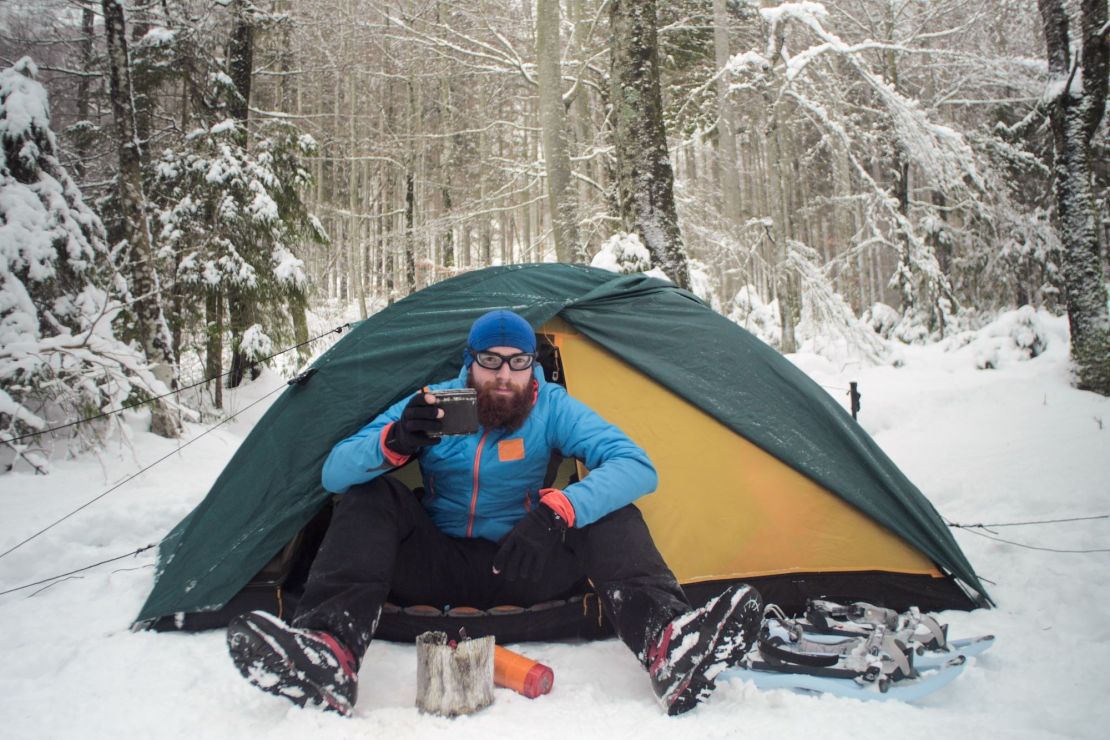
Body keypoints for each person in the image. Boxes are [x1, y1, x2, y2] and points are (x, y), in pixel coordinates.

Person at [227, 309, 761, 716]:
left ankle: (670, 645)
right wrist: (395, 440)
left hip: (526, 562)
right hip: (436, 564)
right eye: (490, 361)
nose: (504, 375)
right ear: (470, 362)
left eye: (517, 362)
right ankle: (328, 653)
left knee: (607, 508)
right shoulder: (435, 403)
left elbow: (637, 466)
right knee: (370, 495)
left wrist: (559, 509)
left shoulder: (552, 406)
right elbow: (334, 474)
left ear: (533, 366)